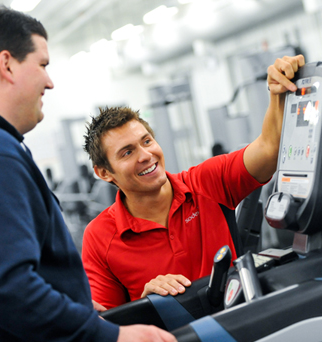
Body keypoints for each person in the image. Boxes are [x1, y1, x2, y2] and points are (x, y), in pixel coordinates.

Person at [0, 6, 175, 342]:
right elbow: (3, 287)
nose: (50, 81)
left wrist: (70, 309)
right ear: (7, 65)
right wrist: (106, 336)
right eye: (42, 65)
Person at [81, 55, 305, 309]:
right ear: (103, 172)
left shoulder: (206, 182)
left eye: (146, 141)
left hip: (237, 325)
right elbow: (108, 327)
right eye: (127, 152)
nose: (146, 156)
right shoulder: (99, 237)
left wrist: (277, 94)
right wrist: (145, 305)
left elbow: (268, 150)